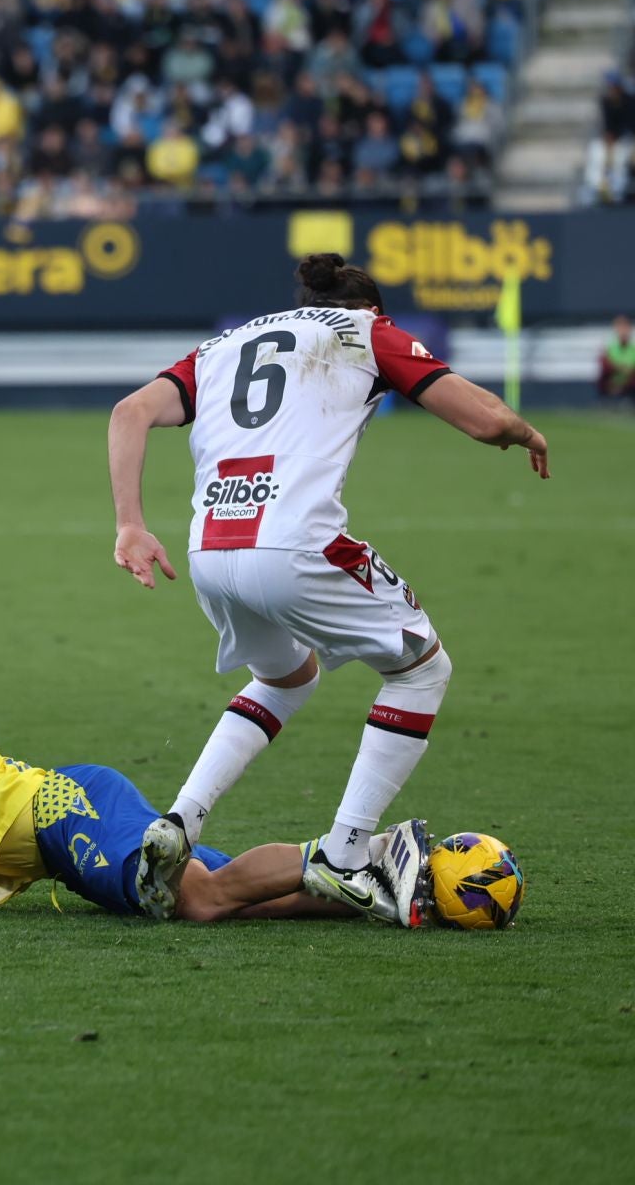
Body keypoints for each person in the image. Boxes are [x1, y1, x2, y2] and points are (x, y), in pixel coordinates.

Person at [107, 253, 548, 926]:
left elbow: (130, 411)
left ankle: (179, 821)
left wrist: (132, 524)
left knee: (287, 677)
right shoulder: (367, 332)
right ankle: (345, 854)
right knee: (422, 670)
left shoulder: (224, 344)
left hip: (213, 547)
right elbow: (484, 419)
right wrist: (525, 429)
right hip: (296, 543)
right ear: (371, 307)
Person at [0, 658, 415, 923]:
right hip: (67, 828)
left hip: (64, 814)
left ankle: (340, 854)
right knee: (221, 899)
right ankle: (387, 882)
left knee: (205, 902)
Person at [599, 314, 635, 400]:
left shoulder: (633, 348)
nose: (623, 331)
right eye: (620, 327)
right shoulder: (608, 347)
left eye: (625, 327)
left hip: (631, 387)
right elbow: (605, 367)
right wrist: (620, 368)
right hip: (611, 386)